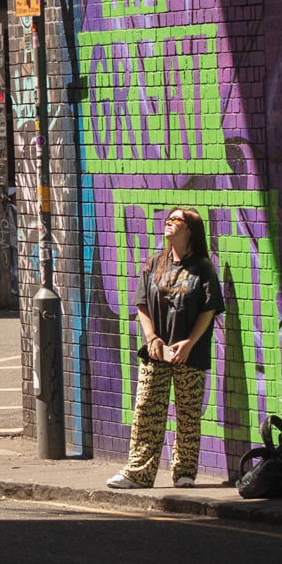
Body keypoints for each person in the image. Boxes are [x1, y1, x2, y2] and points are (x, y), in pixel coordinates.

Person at [108, 206, 226, 488]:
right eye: (168, 219)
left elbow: (208, 310)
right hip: (155, 353)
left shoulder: (202, 267)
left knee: (187, 414)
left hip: (189, 353)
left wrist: (189, 343)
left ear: (190, 230)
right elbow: (142, 305)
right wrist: (152, 339)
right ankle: (138, 473)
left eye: (177, 220)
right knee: (147, 411)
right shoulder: (153, 263)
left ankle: (184, 473)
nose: (169, 223)